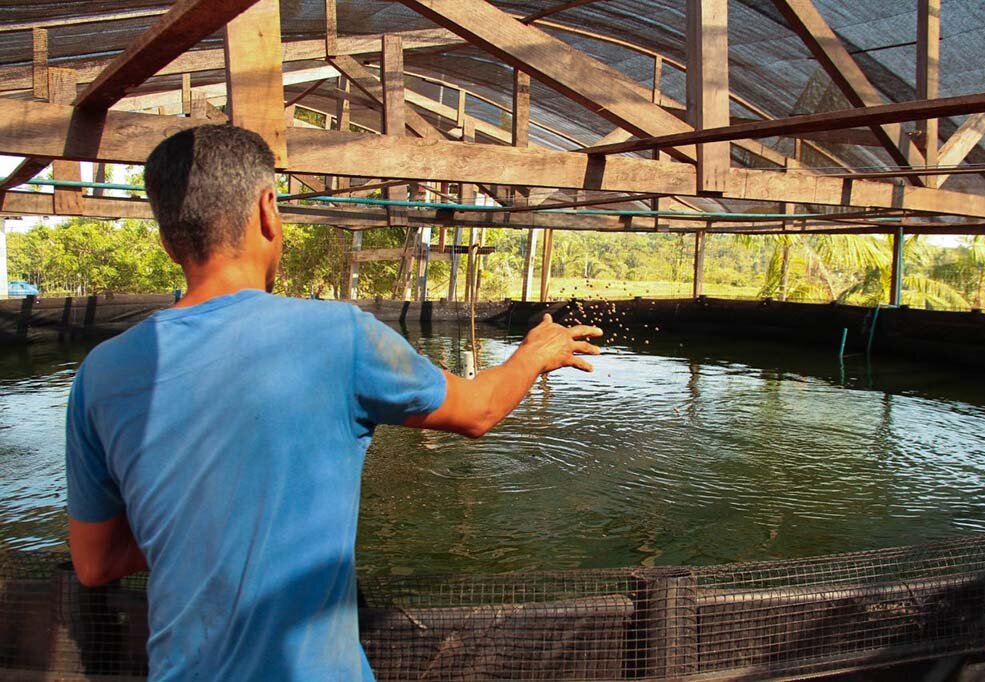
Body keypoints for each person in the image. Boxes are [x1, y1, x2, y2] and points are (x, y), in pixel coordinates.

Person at [64, 124, 602, 681]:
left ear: (167, 239)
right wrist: (534, 354)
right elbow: (478, 410)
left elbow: (95, 562)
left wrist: (193, 525)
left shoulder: (102, 375)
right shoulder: (338, 337)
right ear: (269, 210)